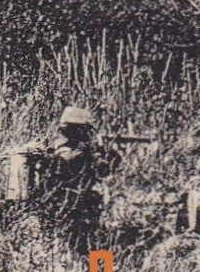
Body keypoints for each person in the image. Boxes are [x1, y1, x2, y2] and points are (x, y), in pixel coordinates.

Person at [22, 106, 138, 253]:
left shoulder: (57, 152)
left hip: (59, 213)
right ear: (81, 131)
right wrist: (104, 150)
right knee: (98, 251)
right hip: (79, 213)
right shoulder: (80, 155)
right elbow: (108, 168)